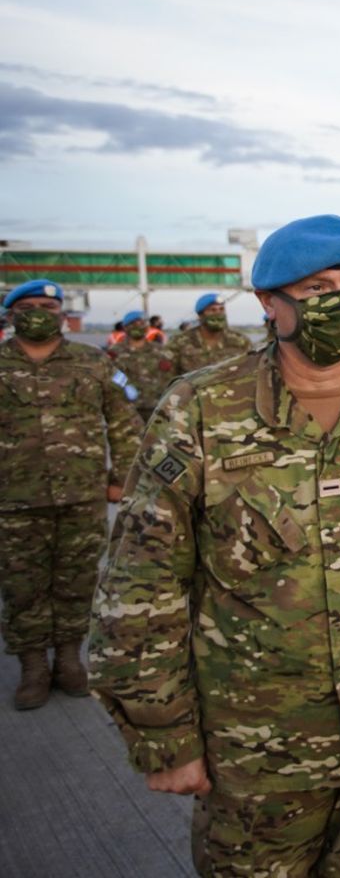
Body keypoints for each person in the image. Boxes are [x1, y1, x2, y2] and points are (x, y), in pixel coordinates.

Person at [89, 216, 340, 875]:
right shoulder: (199, 408)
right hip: (255, 744)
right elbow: (141, 581)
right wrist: (163, 732)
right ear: (270, 304)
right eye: (317, 287)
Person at [2, 279, 142, 710]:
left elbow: (124, 421)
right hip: (13, 498)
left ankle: (68, 658)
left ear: (63, 311)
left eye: (48, 304)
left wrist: (122, 478)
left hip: (83, 495)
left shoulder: (92, 362)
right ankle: (32, 666)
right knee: (22, 586)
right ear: (10, 313)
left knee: (78, 581)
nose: (40, 311)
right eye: (29, 305)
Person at [109, 309, 177, 424]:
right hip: (127, 409)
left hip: (156, 407)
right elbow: (109, 375)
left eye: (142, 323)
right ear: (125, 327)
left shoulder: (160, 350)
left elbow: (171, 375)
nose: (138, 326)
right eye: (134, 324)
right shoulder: (115, 352)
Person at [167, 292, 252, 374]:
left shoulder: (240, 341)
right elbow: (167, 376)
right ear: (200, 315)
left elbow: (251, 371)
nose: (218, 313)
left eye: (221, 309)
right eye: (212, 310)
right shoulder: (179, 342)